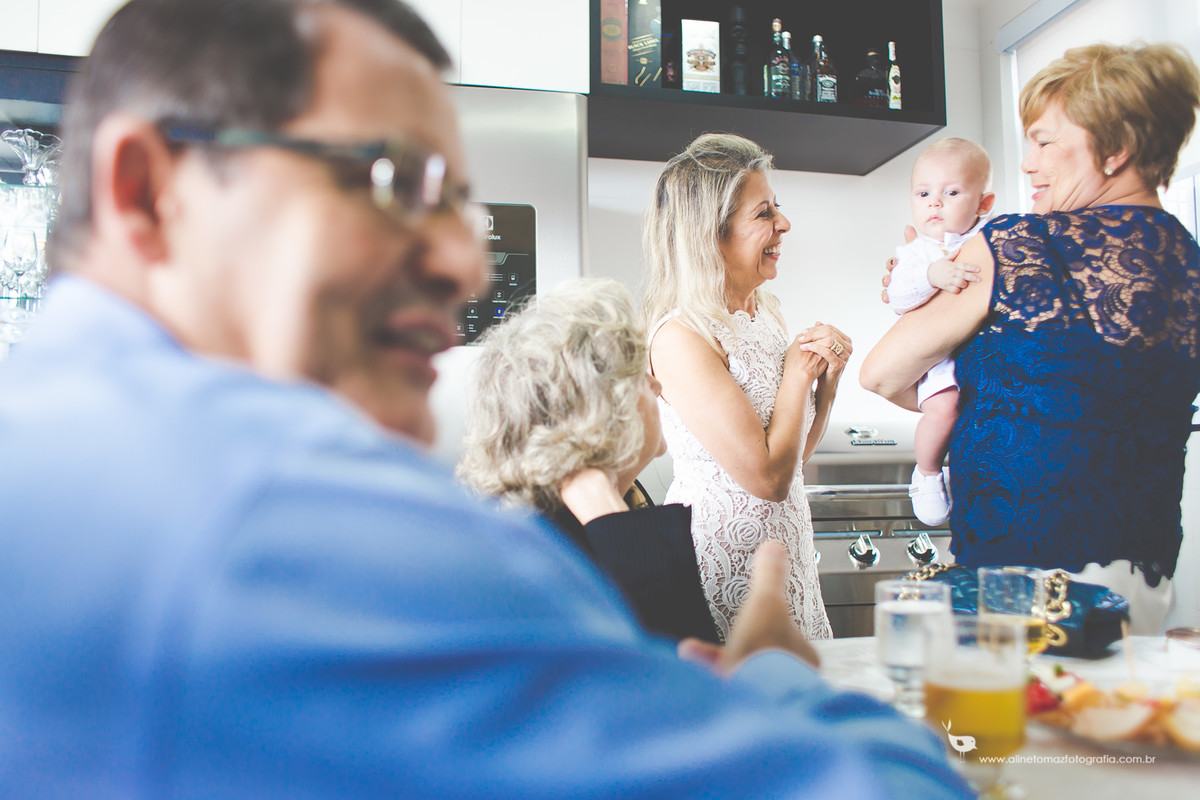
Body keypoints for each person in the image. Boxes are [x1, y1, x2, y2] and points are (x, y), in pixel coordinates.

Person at [0, 0, 974, 796]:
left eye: (455, 202)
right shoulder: (310, 526)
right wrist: (774, 681)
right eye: (392, 181)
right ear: (148, 190)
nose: (467, 265)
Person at [861, 42, 1200, 635]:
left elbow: (882, 373)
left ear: (1116, 149)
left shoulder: (1020, 246)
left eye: (1044, 142)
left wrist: (971, 401)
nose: (1027, 163)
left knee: (1010, 701)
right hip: (1142, 570)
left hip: (1023, 570)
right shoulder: (1188, 262)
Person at [642, 133, 850, 641]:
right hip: (724, 564)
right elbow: (767, 479)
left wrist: (828, 381)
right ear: (711, 235)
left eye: (777, 207)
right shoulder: (681, 336)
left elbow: (792, 460)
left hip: (787, 550)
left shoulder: (766, 314)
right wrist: (798, 375)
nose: (784, 223)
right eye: (764, 213)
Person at [457, 278, 720, 643]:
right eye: (639, 375)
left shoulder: (622, 498)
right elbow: (683, 660)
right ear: (601, 407)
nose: (657, 386)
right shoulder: (549, 552)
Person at [887, 137, 996, 525]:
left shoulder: (990, 238)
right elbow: (898, 296)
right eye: (923, 193)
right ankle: (928, 472)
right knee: (944, 408)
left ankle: (955, 469)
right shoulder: (918, 252)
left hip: (985, 357)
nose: (934, 203)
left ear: (984, 204)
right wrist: (931, 275)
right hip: (941, 361)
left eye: (951, 192)